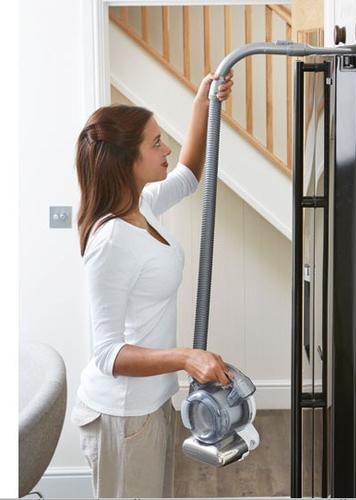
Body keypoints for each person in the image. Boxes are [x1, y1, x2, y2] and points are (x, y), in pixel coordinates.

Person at [70, 71, 234, 498]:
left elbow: (190, 174)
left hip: (153, 401)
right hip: (123, 413)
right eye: (156, 143)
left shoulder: (141, 203)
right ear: (128, 161)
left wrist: (203, 103)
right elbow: (108, 354)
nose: (167, 150)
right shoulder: (111, 240)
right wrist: (186, 357)